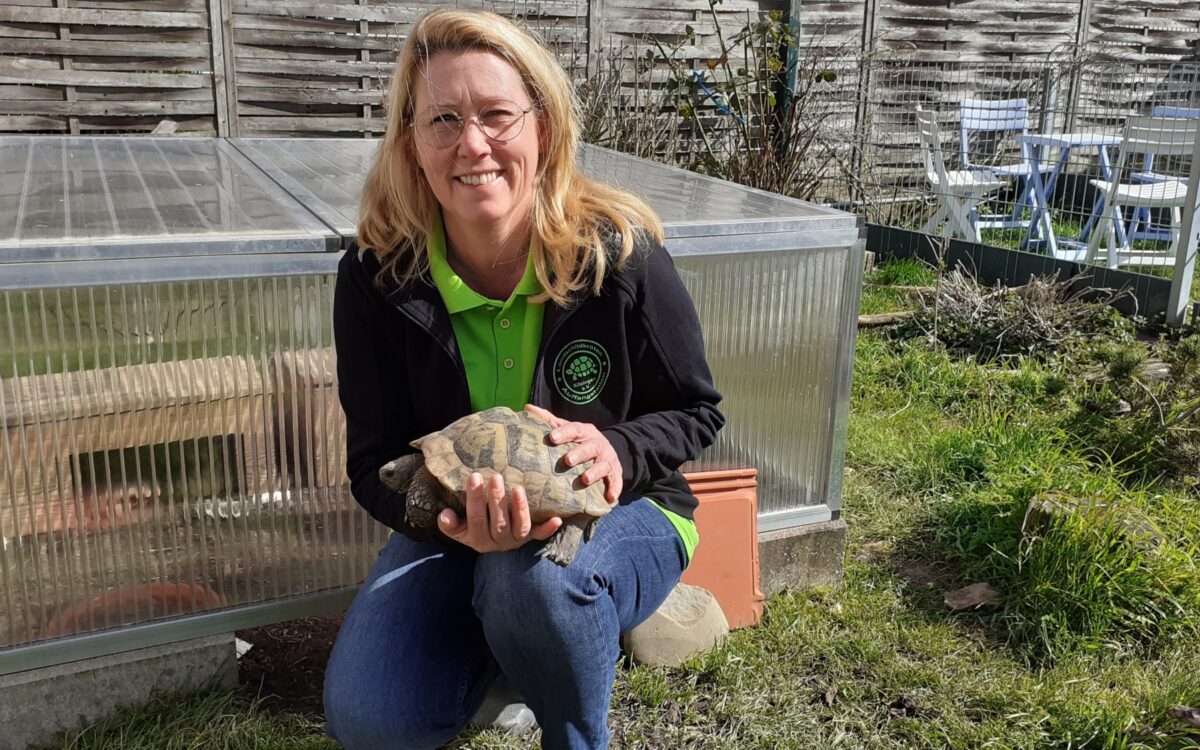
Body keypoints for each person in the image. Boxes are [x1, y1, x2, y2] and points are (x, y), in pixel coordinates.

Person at [322, 9, 724, 749]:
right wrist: (439, 521)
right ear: (411, 144)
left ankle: (574, 723)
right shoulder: (377, 278)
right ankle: (516, 644)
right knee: (372, 720)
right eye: (443, 119)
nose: (472, 143)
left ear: (544, 125)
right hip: (457, 525)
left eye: (497, 115)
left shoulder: (620, 258)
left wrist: (619, 452)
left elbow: (698, 410)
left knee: (531, 579)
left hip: (620, 507)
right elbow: (372, 462)